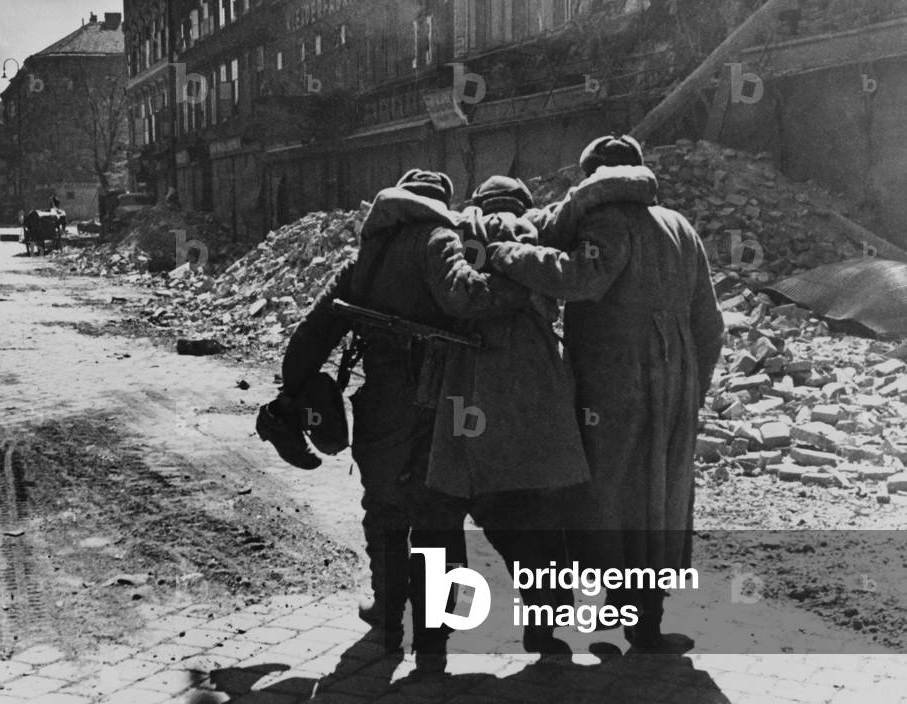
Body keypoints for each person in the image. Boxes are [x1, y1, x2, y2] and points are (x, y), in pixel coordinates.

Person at [259, 170, 541, 664]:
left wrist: (292, 397)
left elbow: (310, 336)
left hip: (380, 402)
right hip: (438, 402)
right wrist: (518, 288)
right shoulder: (437, 238)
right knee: (437, 517)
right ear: (440, 204)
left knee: (385, 509)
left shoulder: (368, 256)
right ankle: (433, 643)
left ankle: (389, 611)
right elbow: (463, 297)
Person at [485, 135, 726, 651]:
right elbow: (711, 324)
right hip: (675, 389)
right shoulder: (680, 226)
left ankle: (618, 615)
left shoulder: (607, 220)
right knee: (662, 500)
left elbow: (576, 279)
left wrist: (508, 253)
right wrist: (692, 388)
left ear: (589, 177)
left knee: (607, 500)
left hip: (613, 389)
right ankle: (645, 624)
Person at [408, 175, 590, 664]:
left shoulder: (454, 235)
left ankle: (431, 640)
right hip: (527, 398)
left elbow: (451, 299)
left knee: (438, 526)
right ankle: (546, 631)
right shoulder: (536, 238)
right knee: (535, 524)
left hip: (461, 398)